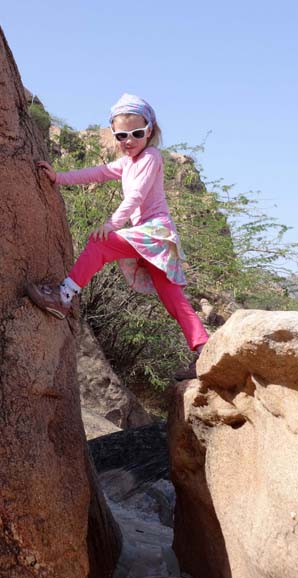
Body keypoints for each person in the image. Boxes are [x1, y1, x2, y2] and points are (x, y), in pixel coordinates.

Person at [27, 93, 208, 380]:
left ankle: (63, 296)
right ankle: (205, 350)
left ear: (149, 130)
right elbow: (97, 173)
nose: (129, 141)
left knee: (103, 244)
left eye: (137, 133)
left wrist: (112, 223)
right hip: (146, 236)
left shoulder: (150, 156)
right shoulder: (127, 162)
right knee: (173, 298)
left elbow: (136, 195)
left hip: (154, 233)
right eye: (122, 135)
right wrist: (58, 177)